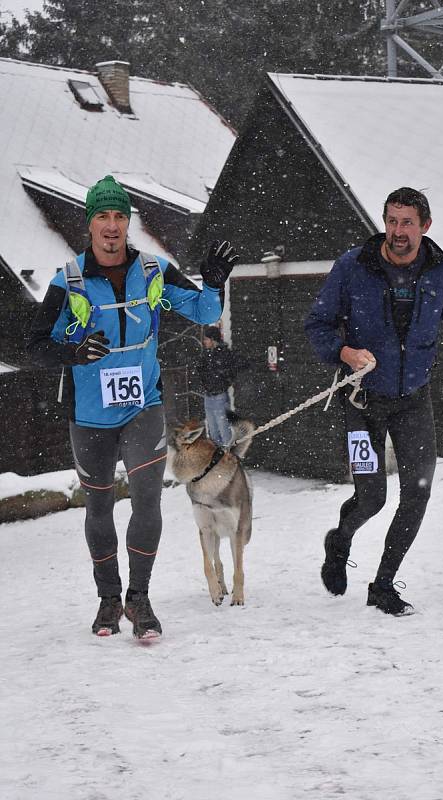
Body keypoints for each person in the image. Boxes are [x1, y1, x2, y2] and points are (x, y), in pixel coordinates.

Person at [27, 175, 238, 639]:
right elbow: (35, 346)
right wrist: (74, 351)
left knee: (147, 498)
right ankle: (108, 600)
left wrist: (215, 285)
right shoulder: (70, 280)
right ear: (89, 224)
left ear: (128, 223)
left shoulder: (153, 271)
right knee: (99, 506)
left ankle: (139, 600)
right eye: (102, 215)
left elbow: (204, 313)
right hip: (90, 418)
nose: (111, 225)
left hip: (143, 407)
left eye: (119, 216)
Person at [305, 187, 443, 616]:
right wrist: (345, 352)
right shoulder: (353, 267)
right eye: (391, 220)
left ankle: (383, 584)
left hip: (413, 401)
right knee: (371, 497)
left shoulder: (441, 272)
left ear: (425, 226)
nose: (397, 231)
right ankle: (340, 539)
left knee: (417, 494)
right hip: (362, 401)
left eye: (407, 222)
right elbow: (317, 324)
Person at [196, 325, 249, 447]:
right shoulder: (206, 355)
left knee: (224, 429)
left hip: (220, 396)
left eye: (206, 339)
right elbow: (200, 370)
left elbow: (237, 367)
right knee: (213, 431)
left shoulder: (224, 354)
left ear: (213, 339)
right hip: (208, 396)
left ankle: (227, 455)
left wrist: (225, 379)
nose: (204, 342)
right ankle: (217, 456)